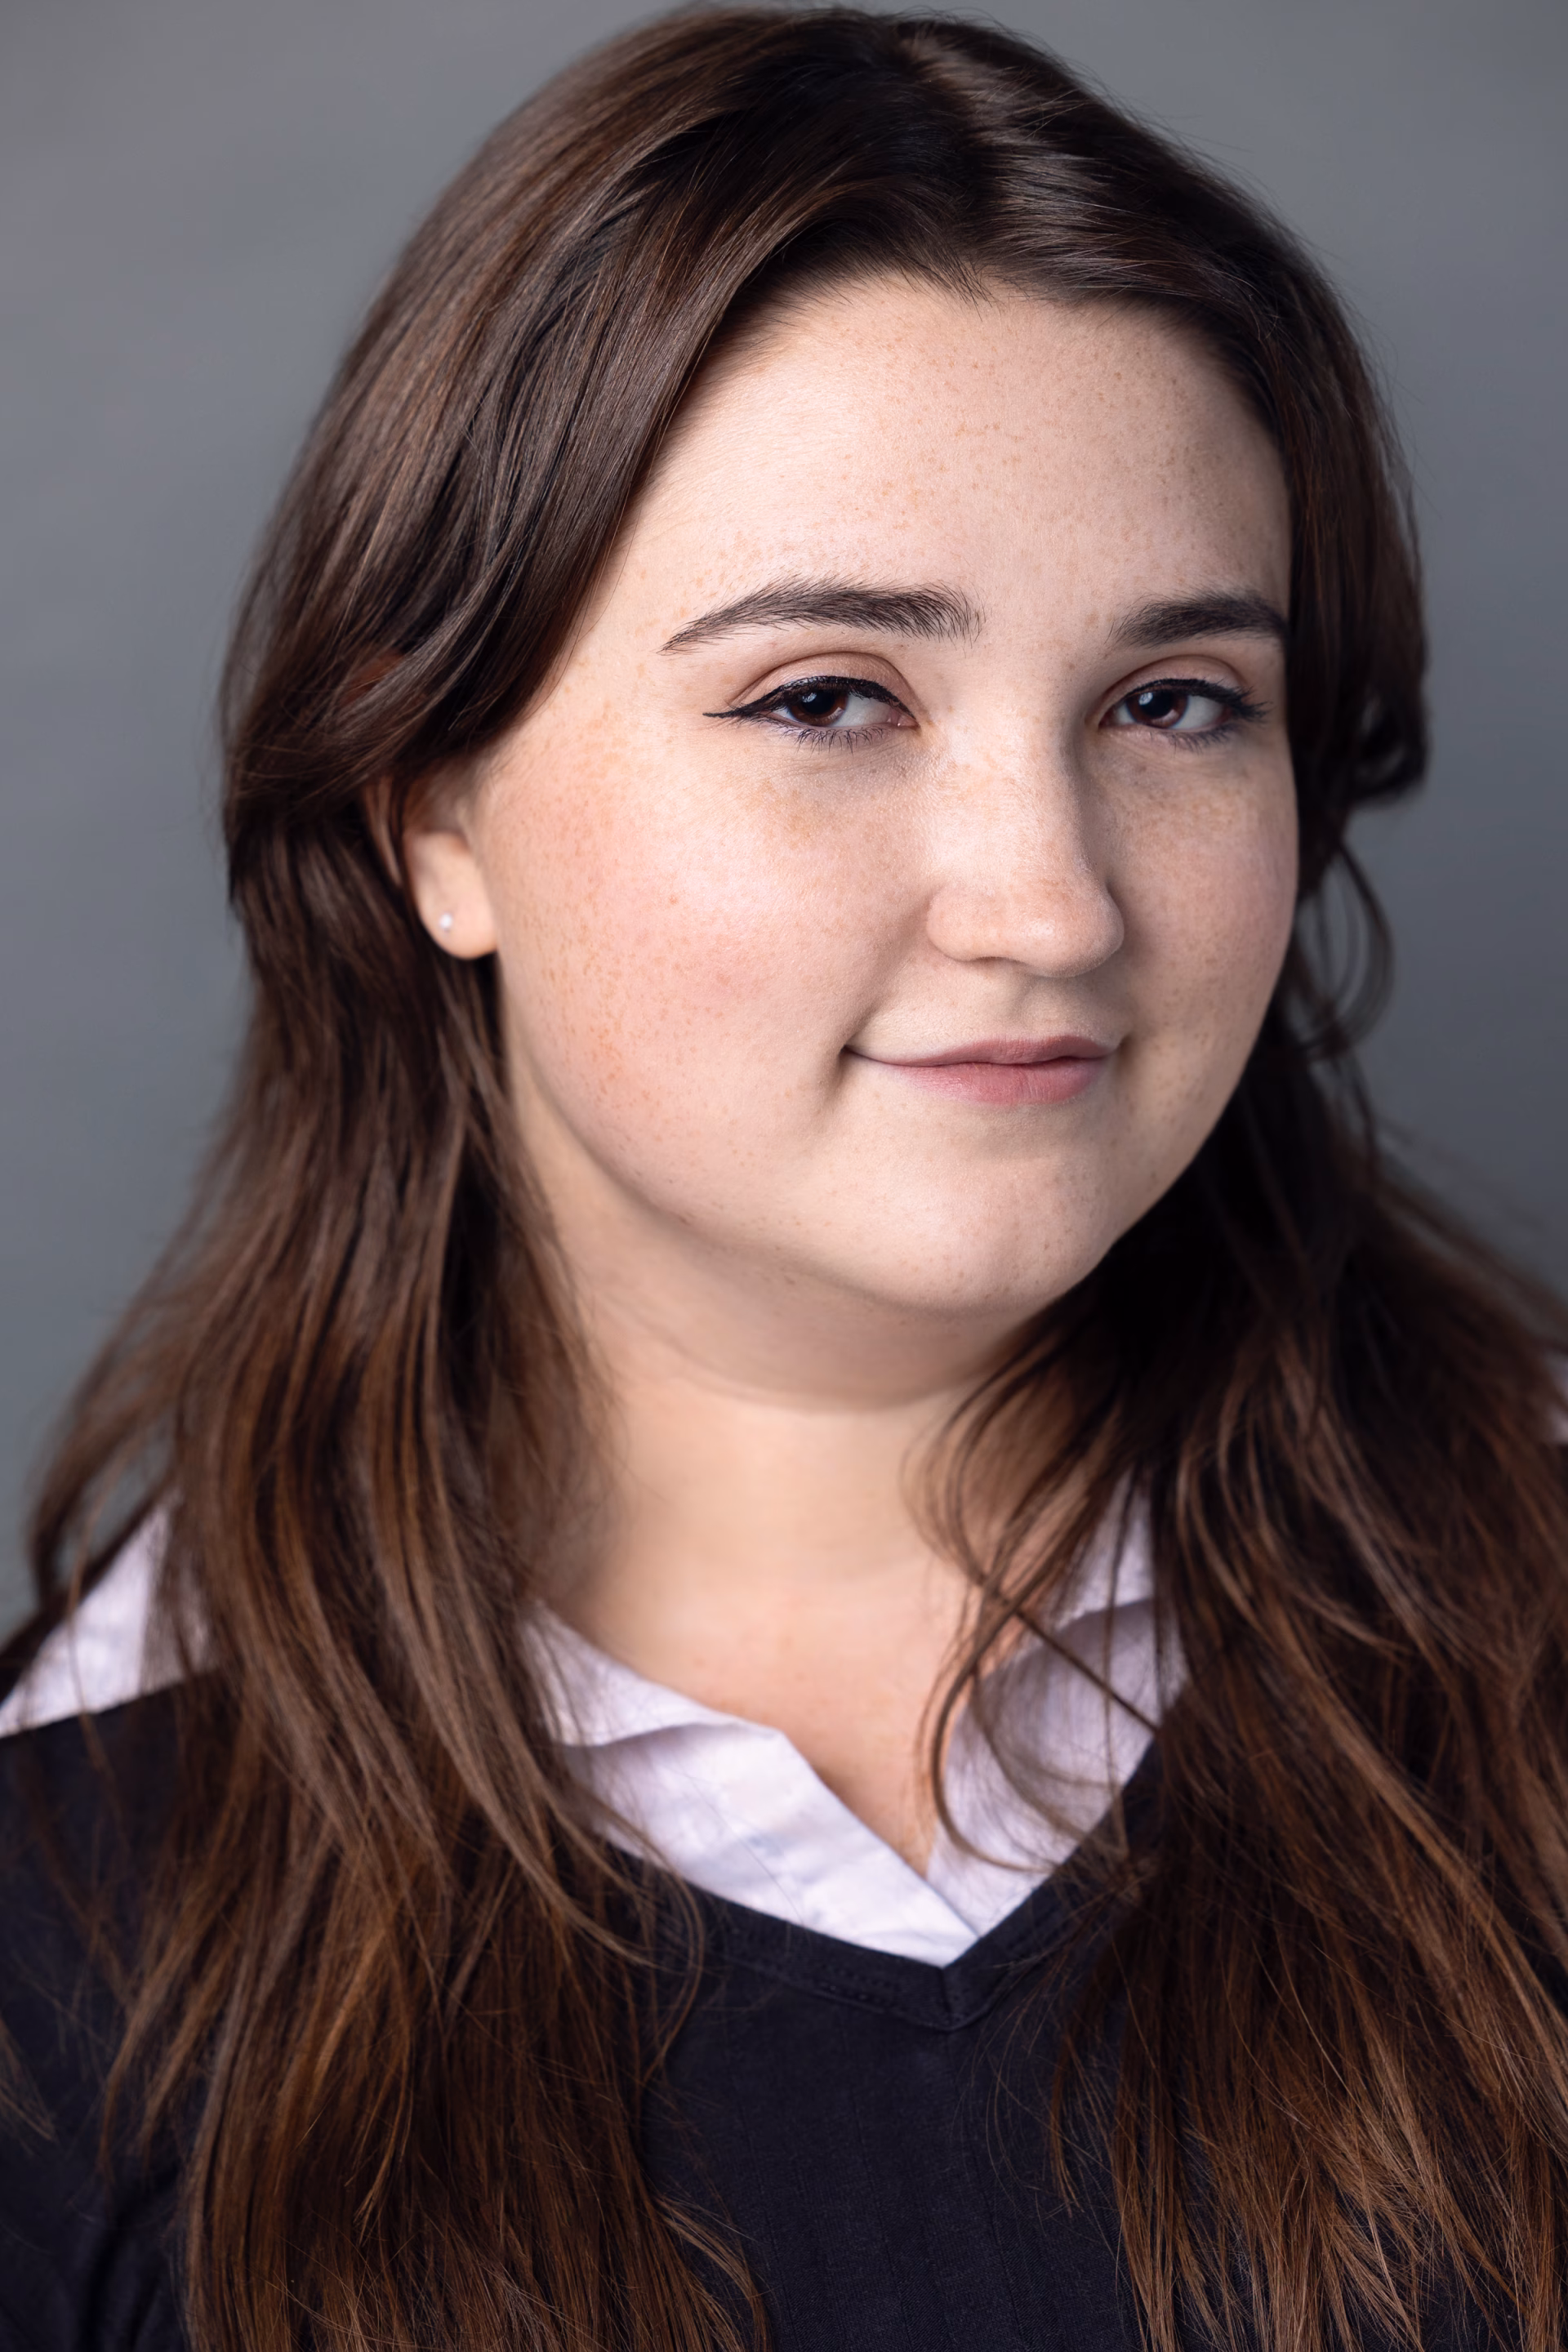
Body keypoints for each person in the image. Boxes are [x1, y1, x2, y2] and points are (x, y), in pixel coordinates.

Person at [2, 8, 1566, 2348]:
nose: (1049, 904)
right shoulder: (62, 1910)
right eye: (828, 697)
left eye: (1175, 703)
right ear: (433, 812)